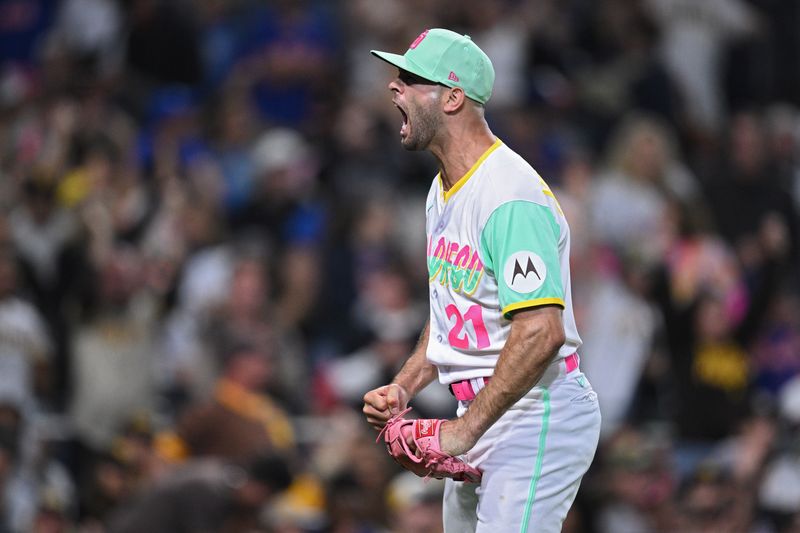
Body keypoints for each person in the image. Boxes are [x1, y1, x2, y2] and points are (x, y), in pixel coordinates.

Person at [362, 28, 601, 532]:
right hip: (485, 410)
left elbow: (542, 331)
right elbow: (453, 311)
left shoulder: (508, 197)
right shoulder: (442, 189)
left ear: (452, 98)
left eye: (410, 78)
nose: (393, 87)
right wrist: (405, 386)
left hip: (535, 411)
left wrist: (461, 432)